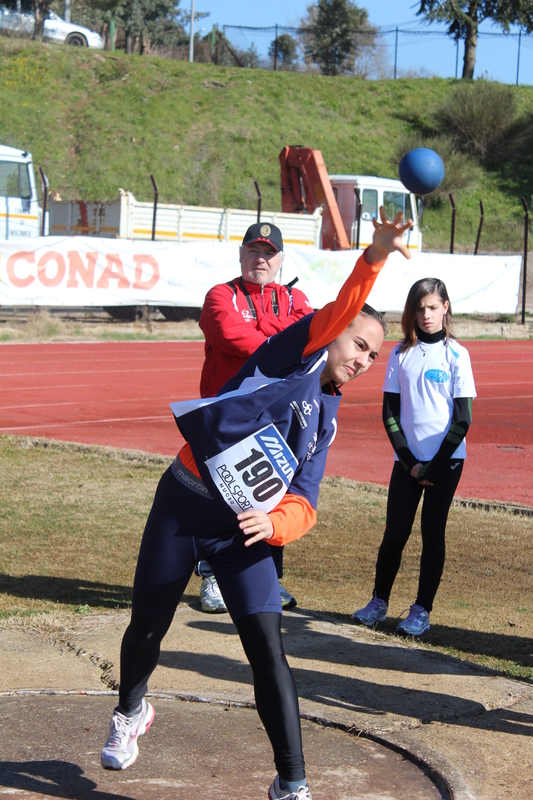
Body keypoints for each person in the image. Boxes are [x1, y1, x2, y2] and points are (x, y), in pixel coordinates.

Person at [100, 208, 412, 800]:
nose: (364, 360)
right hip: (184, 503)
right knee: (147, 626)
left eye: (374, 358)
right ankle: (131, 711)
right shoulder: (290, 356)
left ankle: (292, 783)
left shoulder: (326, 421)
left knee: (268, 649)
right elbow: (343, 307)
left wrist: (273, 522)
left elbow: (306, 503)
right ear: (333, 331)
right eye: (359, 344)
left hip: (240, 532)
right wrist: (373, 257)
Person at [197, 222, 313, 614]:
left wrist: (264, 330)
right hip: (224, 418)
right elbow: (232, 336)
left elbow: (309, 341)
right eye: (253, 251)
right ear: (241, 254)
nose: (259, 259)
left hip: (275, 417)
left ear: (280, 260)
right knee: (220, 498)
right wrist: (278, 338)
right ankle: (212, 577)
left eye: (268, 253)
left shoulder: (296, 298)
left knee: (267, 498)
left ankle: (267, 579)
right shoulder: (220, 294)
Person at [352, 278, 476, 637]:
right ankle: (378, 602)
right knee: (394, 533)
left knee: (432, 533)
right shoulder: (400, 353)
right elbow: (390, 413)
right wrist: (410, 462)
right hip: (407, 463)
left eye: (433, 307)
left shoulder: (457, 355)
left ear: (445, 308)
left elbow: (463, 418)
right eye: (420, 308)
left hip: (446, 463)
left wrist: (434, 466)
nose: (426, 315)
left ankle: (421, 610)